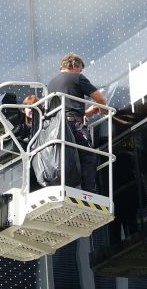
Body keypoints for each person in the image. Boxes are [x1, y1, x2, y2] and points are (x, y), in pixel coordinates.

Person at [46, 53, 107, 192]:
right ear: (73, 65)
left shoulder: (51, 84)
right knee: (88, 156)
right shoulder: (76, 77)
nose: (80, 72)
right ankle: (89, 194)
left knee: (68, 157)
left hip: (57, 127)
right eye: (79, 69)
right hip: (74, 125)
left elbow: (64, 109)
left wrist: (86, 113)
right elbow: (100, 98)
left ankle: (69, 189)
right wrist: (104, 110)